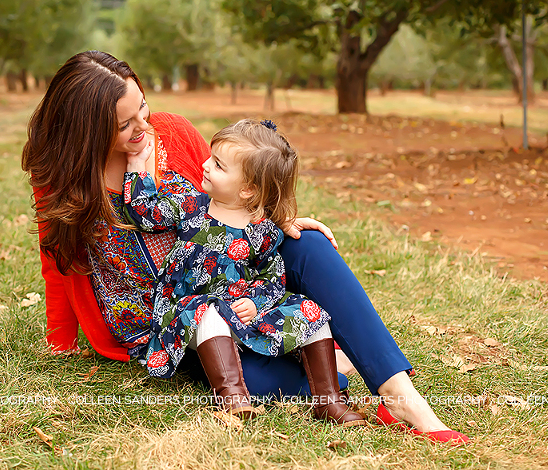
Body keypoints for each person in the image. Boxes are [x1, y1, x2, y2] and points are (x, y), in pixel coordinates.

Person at [21, 50, 469, 444]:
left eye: (144, 108)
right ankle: (340, 366)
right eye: (125, 124)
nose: (144, 126)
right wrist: (60, 342)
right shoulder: (62, 178)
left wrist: (279, 220)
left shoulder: (172, 133)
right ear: (87, 130)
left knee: (306, 242)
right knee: (247, 382)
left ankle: (401, 397)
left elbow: (231, 194)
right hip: (175, 315)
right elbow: (56, 260)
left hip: (231, 272)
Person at [121, 118, 365, 426]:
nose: (205, 165)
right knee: (207, 314)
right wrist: (136, 166)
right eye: (210, 157)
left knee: (311, 313)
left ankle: (328, 401)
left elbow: (272, 277)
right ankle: (233, 398)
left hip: (242, 309)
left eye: (219, 165)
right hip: (190, 307)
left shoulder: (262, 230)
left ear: (248, 190)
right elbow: (147, 211)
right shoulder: (192, 205)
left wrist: (257, 303)